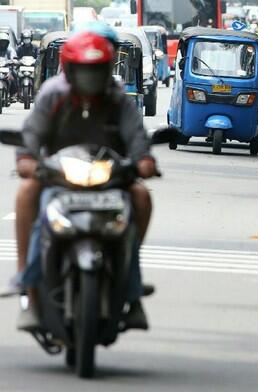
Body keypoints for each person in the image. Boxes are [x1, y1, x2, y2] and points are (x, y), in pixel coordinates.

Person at [6, 31, 158, 331]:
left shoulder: (118, 97)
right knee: (27, 193)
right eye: (84, 71)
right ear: (70, 69)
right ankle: (29, 284)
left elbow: (136, 137)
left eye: (96, 70)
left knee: (141, 196)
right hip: (59, 175)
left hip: (109, 177)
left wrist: (144, 161)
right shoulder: (53, 94)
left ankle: (130, 283)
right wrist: (27, 159)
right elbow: (32, 135)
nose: (90, 78)